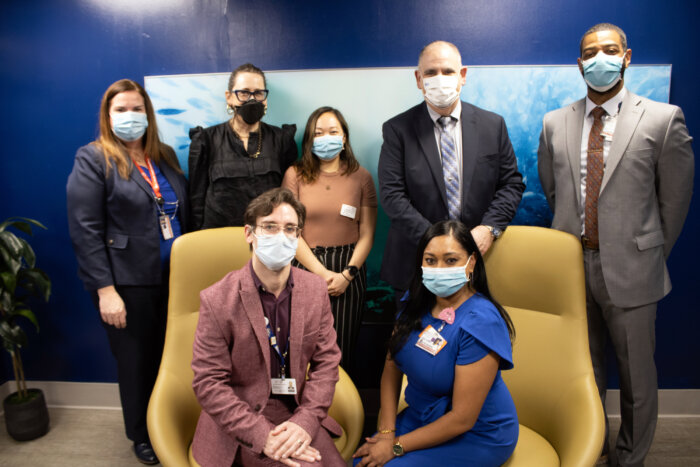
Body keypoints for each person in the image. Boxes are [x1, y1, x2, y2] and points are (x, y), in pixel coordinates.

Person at [537, 23, 694, 467]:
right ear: (579, 62)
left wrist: (648, 251)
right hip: (570, 266)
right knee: (582, 371)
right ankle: (593, 445)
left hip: (633, 266)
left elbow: (675, 201)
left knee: (636, 378)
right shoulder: (554, 122)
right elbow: (554, 191)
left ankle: (630, 458)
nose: (599, 58)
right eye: (590, 52)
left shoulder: (664, 119)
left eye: (609, 50)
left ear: (626, 57)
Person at [66, 79, 189, 464]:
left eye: (137, 109)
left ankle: (172, 421)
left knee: (173, 357)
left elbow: (180, 210)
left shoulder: (164, 155)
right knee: (138, 362)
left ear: (148, 115)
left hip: (176, 279)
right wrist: (105, 290)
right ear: (107, 115)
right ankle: (142, 434)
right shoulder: (94, 158)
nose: (130, 117)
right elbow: (85, 229)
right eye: (121, 110)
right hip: (127, 283)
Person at [190, 187, 346, 467]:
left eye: (290, 229)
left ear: (299, 236)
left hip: (297, 413)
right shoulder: (217, 299)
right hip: (243, 422)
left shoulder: (314, 290)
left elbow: (327, 362)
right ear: (249, 233)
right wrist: (263, 436)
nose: (281, 236)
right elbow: (209, 383)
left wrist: (307, 421)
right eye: (270, 227)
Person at [353, 220, 518, 466]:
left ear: (471, 263)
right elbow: (391, 368)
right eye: (430, 260)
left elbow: (462, 419)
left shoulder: (481, 322)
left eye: (450, 260)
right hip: (421, 417)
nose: (439, 268)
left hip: (477, 434)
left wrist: (396, 447)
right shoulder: (416, 303)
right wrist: (387, 434)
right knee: (362, 462)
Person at [378, 40, 525, 300]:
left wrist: (488, 228)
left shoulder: (493, 126)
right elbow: (392, 195)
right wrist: (436, 243)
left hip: (478, 260)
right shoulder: (397, 130)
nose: (439, 79)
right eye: (430, 73)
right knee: (413, 338)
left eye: (447, 71)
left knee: (470, 334)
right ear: (418, 79)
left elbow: (510, 184)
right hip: (416, 263)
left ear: (463, 76)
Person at [282, 106, 378, 369]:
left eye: (333, 131)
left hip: (350, 268)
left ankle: (339, 407)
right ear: (309, 140)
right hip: (304, 265)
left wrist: (346, 275)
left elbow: (368, 233)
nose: (326, 138)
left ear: (344, 137)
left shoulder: (362, 177)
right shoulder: (295, 175)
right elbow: (290, 231)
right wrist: (321, 273)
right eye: (318, 133)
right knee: (302, 348)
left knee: (341, 349)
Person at [188, 63, 298, 230]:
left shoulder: (281, 139)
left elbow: (289, 193)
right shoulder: (206, 140)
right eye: (244, 92)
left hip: (267, 237)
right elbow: (196, 198)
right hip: (218, 238)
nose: (252, 99)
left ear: (265, 98)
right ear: (229, 97)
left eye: (259, 93)